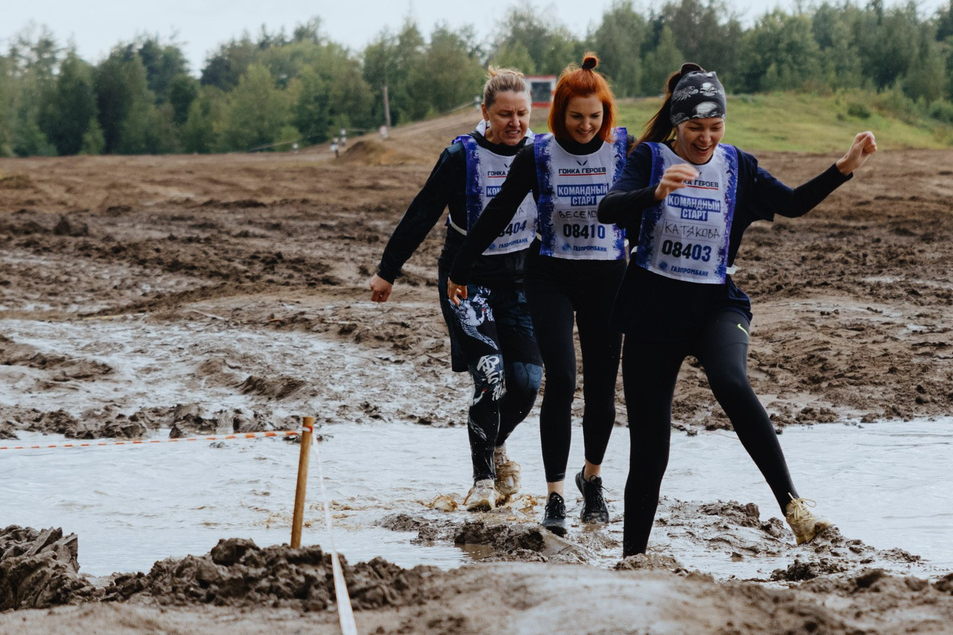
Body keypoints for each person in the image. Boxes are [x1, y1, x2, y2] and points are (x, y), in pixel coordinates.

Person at [594, 63, 876, 557]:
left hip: (716, 305)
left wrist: (842, 169)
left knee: (730, 380)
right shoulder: (649, 159)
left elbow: (790, 203)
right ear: (678, 125)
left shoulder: (737, 165)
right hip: (650, 311)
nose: (705, 138)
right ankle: (632, 558)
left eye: (715, 127)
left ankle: (794, 508)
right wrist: (655, 192)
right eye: (696, 128)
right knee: (650, 451)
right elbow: (608, 208)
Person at [455, 54, 632, 534]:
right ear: (558, 114)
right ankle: (554, 495)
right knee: (561, 378)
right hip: (550, 274)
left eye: (595, 117)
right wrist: (460, 264)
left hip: (607, 275)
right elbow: (495, 214)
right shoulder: (539, 154)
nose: (585, 125)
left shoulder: (625, 150)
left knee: (600, 384)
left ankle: (590, 479)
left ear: (606, 115)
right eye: (576, 116)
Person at [370, 68, 543, 510]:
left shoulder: (543, 154)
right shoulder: (461, 156)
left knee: (527, 382)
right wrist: (388, 271)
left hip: (520, 281)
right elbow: (421, 212)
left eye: (522, 114)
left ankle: (496, 445)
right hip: (466, 282)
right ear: (485, 112)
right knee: (489, 374)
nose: (515, 123)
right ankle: (482, 482)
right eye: (504, 114)